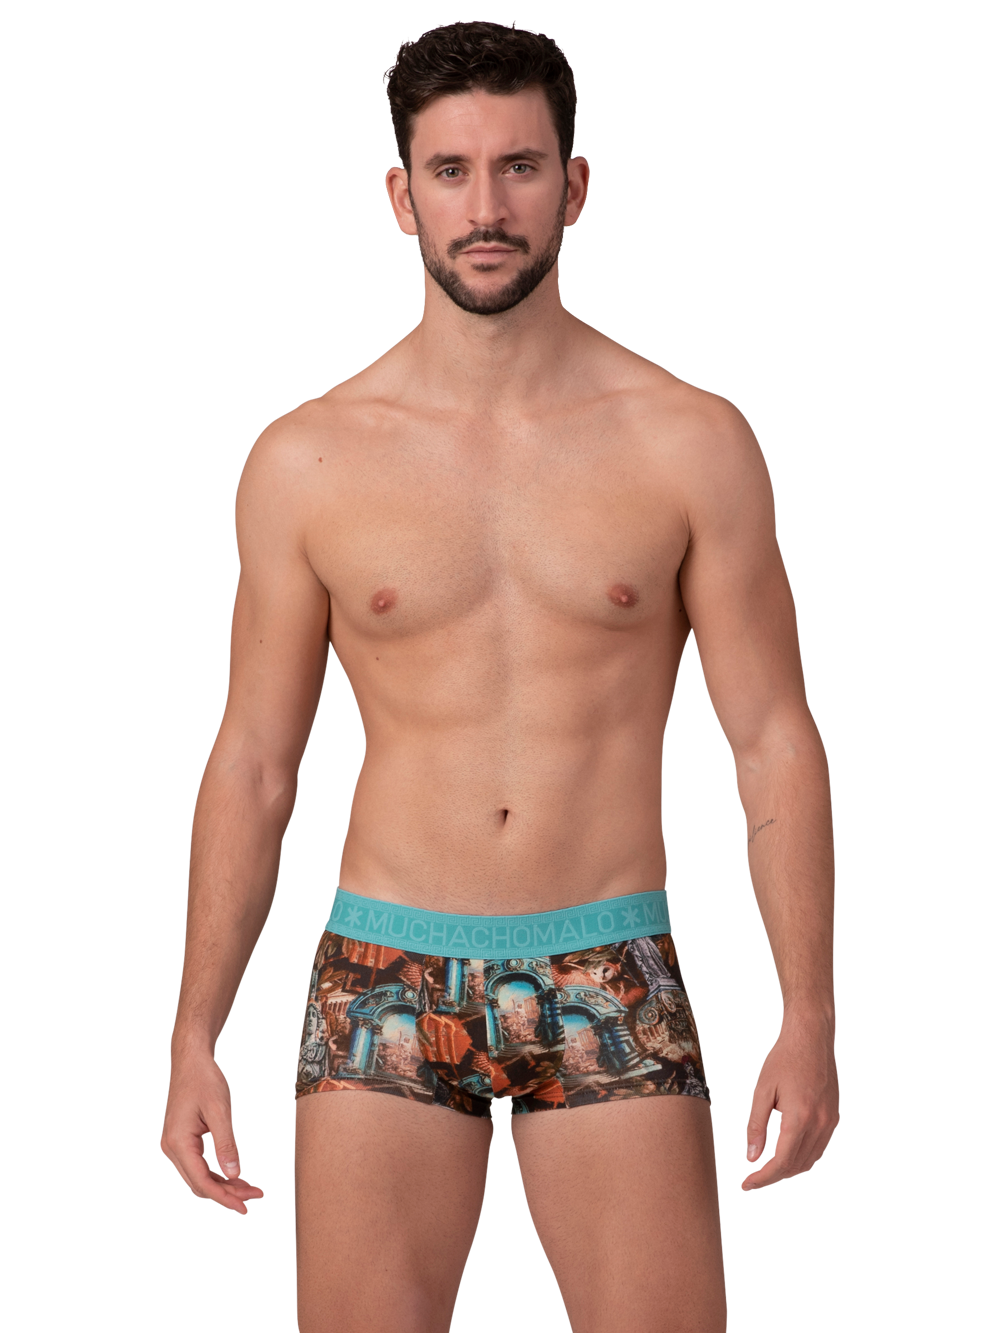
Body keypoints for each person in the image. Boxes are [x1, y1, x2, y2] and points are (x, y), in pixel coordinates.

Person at [162, 22, 838, 1333]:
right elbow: (253, 760)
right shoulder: (309, 460)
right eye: (452, 170)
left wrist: (808, 1013)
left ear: (572, 183)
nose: (487, 207)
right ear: (400, 192)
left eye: (520, 167)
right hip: (386, 970)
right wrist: (193, 1030)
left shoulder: (688, 444)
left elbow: (772, 737)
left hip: (607, 962)